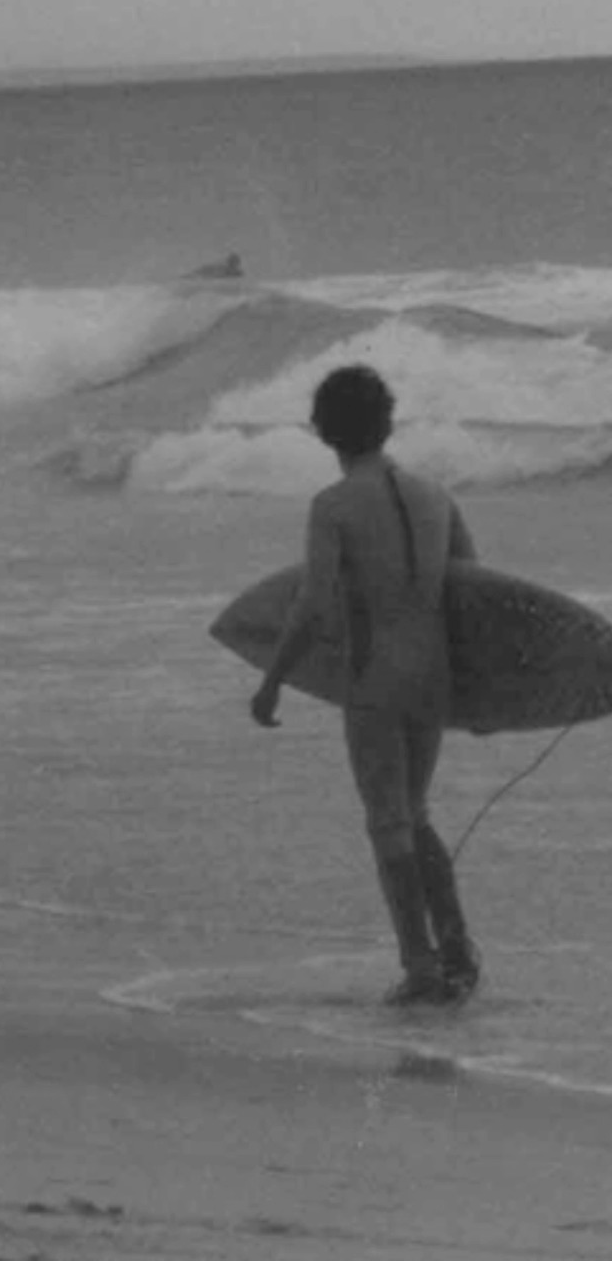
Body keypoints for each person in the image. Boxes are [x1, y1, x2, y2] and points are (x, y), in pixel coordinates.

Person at [250, 365, 481, 1005]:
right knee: (415, 811)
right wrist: (485, 698)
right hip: (433, 677)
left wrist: (273, 680)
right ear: (387, 421)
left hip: (374, 675)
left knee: (388, 821)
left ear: (324, 430)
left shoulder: (332, 506)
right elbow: (473, 596)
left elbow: (313, 604)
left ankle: (421, 968)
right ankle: (458, 949)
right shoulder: (437, 495)